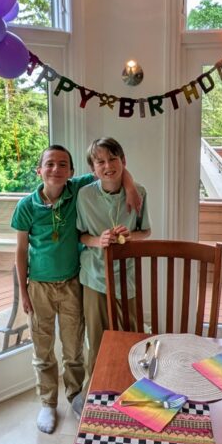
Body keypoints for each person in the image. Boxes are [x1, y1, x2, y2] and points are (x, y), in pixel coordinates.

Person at [11, 144, 140, 433]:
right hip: (39, 287)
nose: (56, 169)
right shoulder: (26, 206)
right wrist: (23, 292)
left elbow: (110, 169)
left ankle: (75, 396)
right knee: (43, 349)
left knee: (74, 349)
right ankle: (48, 402)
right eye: (49, 164)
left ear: (71, 172)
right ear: (39, 170)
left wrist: (131, 187)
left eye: (62, 164)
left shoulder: (77, 189)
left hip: (71, 284)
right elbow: (20, 251)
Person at [76, 137, 151, 381]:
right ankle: (96, 388)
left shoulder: (139, 192)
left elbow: (146, 231)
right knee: (97, 339)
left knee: (131, 335)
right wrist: (99, 240)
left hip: (127, 275)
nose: (108, 165)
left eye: (113, 159)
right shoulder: (84, 195)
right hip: (94, 277)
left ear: (123, 161)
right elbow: (80, 235)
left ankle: (131, 383)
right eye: (100, 162)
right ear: (93, 169)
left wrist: (130, 237)